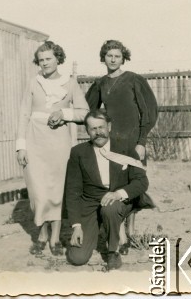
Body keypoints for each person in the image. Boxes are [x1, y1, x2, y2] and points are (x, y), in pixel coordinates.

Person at [16, 41, 89, 256]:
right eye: (41, 60)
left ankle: (55, 237)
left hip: (60, 142)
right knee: (38, 190)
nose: (45, 63)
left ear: (58, 58)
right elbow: (23, 115)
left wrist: (64, 114)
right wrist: (21, 146)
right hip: (34, 141)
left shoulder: (70, 83)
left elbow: (84, 112)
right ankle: (42, 233)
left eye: (48, 58)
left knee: (57, 189)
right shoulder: (33, 83)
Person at [85, 40, 158, 254]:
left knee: (133, 182)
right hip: (112, 142)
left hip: (133, 141)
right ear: (103, 58)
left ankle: (132, 229)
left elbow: (150, 112)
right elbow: (88, 110)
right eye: (109, 55)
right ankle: (120, 234)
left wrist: (141, 141)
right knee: (114, 185)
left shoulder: (134, 80)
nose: (113, 59)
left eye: (117, 55)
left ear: (123, 58)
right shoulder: (100, 84)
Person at [65, 109, 149, 270]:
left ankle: (113, 252)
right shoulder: (78, 153)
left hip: (118, 201)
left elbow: (141, 181)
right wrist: (76, 226)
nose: (98, 133)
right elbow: (72, 191)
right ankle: (104, 227)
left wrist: (118, 194)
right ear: (87, 131)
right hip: (90, 203)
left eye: (101, 127)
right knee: (77, 258)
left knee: (110, 209)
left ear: (109, 126)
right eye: (93, 129)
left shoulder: (125, 148)